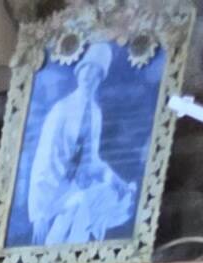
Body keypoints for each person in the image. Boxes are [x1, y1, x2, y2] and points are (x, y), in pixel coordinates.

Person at [21, 51, 139, 247]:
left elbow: (91, 161)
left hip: (73, 190)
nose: (88, 76)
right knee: (74, 212)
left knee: (111, 199)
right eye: (85, 69)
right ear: (78, 72)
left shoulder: (95, 113)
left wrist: (118, 182)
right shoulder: (61, 110)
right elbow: (44, 159)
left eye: (95, 72)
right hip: (49, 190)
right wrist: (38, 214)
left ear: (100, 79)